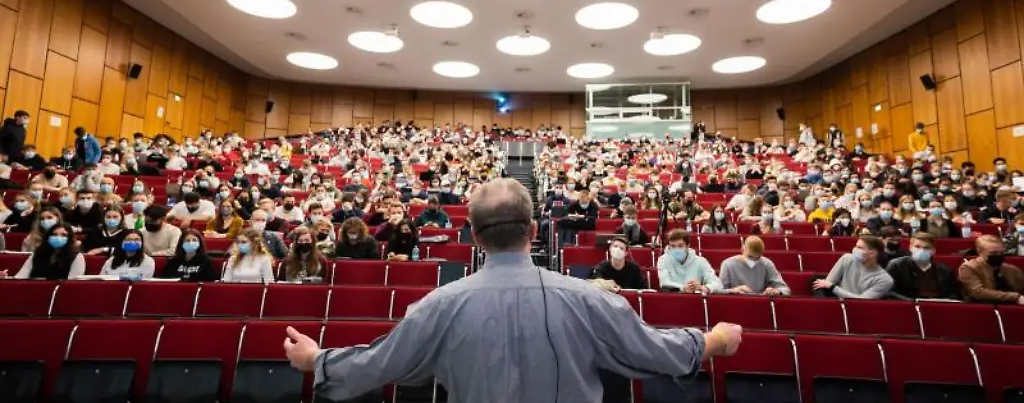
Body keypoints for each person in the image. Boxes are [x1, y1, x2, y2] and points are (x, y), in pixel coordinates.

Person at [283, 178, 743, 402]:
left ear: (475, 238)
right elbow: (652, 351)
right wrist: (713, 340)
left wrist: (316, 361)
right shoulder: (590, 299)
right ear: (533, 231)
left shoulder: (435, 306)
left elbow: (379, 363)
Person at [812, 236, 894, 299]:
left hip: (861, 311)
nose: (854, 249)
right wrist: (830, 287)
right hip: (838, 302)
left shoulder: (885, 280)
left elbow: (861, 301)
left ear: (872, 253)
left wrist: (833, 287)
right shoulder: (847, 258)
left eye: (859, 248)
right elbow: (827, 283)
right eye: (855, 246)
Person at [1, 222, 86, 280]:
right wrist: (5, 278)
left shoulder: (77, 257)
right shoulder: (37, 254)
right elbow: (21, 277)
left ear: (70, 238)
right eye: (54, 234)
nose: (58, 237)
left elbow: (72, 284)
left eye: (63, 235)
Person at [886, 233, 958, 300]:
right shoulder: (897, 266)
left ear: (933, 251)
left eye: (927, 248)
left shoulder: (945, 271)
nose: (922, 250)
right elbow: (889, 292)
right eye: (917, 247)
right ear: (910, 247)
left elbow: (953, 295)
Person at [959, 235, 1024, 304]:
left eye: (1001, 253)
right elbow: (978, 292)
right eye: (993, 253)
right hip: (982, 306)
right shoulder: (968, 268)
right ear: (980, 252)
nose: (998, 255)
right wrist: (1015, 297)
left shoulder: (1012, 270)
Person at [719, 236, 790, 296]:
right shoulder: (728, 264)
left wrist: (777, 291)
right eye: (750, 256)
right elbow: (719, 291)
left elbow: (785, 289)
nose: (753, 260)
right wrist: (732, 290)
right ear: (743, 249)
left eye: (757, 257)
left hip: (760, 305)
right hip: (735, 303)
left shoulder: (766, 264)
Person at [656, 229, 723, 294]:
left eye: (680, 246)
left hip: (694, 300)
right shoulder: (663, 260)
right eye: (673, 246)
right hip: (672, 299)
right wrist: (683, 288)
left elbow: (718, 284)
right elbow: (664, 283)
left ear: (688, 245)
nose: (676, 249)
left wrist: (705, 288)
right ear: (669, 247)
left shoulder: (701, 261)